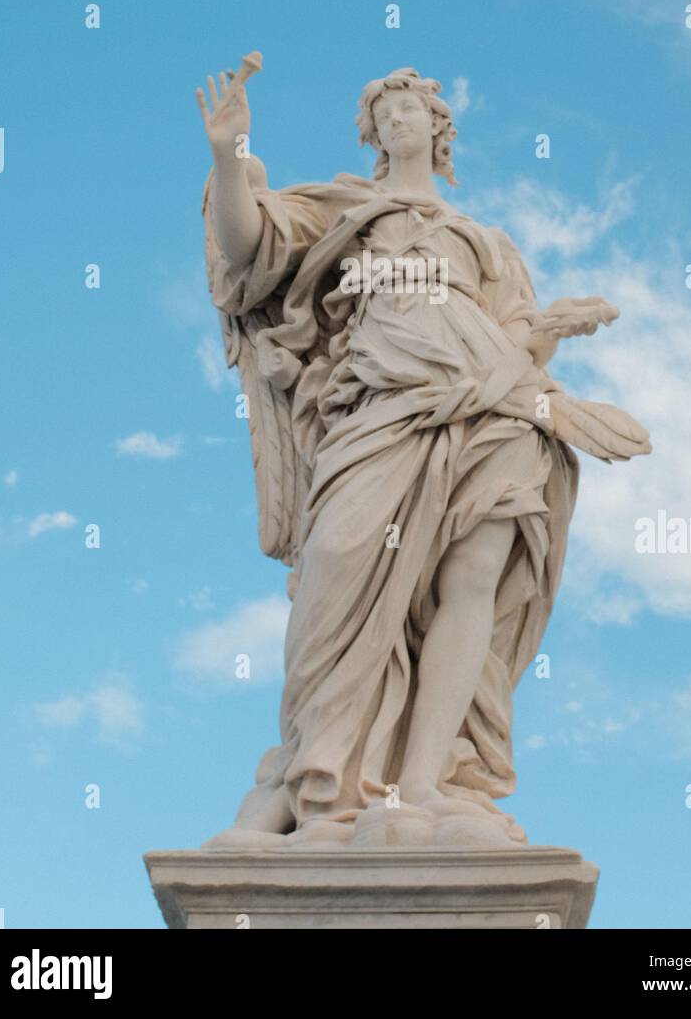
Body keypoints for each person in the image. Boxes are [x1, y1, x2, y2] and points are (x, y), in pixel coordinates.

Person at [195, 57, 650, 849]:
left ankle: (421, 785)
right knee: (336, 569)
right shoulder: (346, 214)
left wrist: (551, 329)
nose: (400, 120)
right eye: (386, 113)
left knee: (470, 580)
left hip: (494, 410)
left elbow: (513, 337)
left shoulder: (487, 242)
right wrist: (230, 156)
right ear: (371, 133)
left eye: (414, 111)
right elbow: (247, 254)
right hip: (376, 408)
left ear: (440, 132)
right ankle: (317, 776)